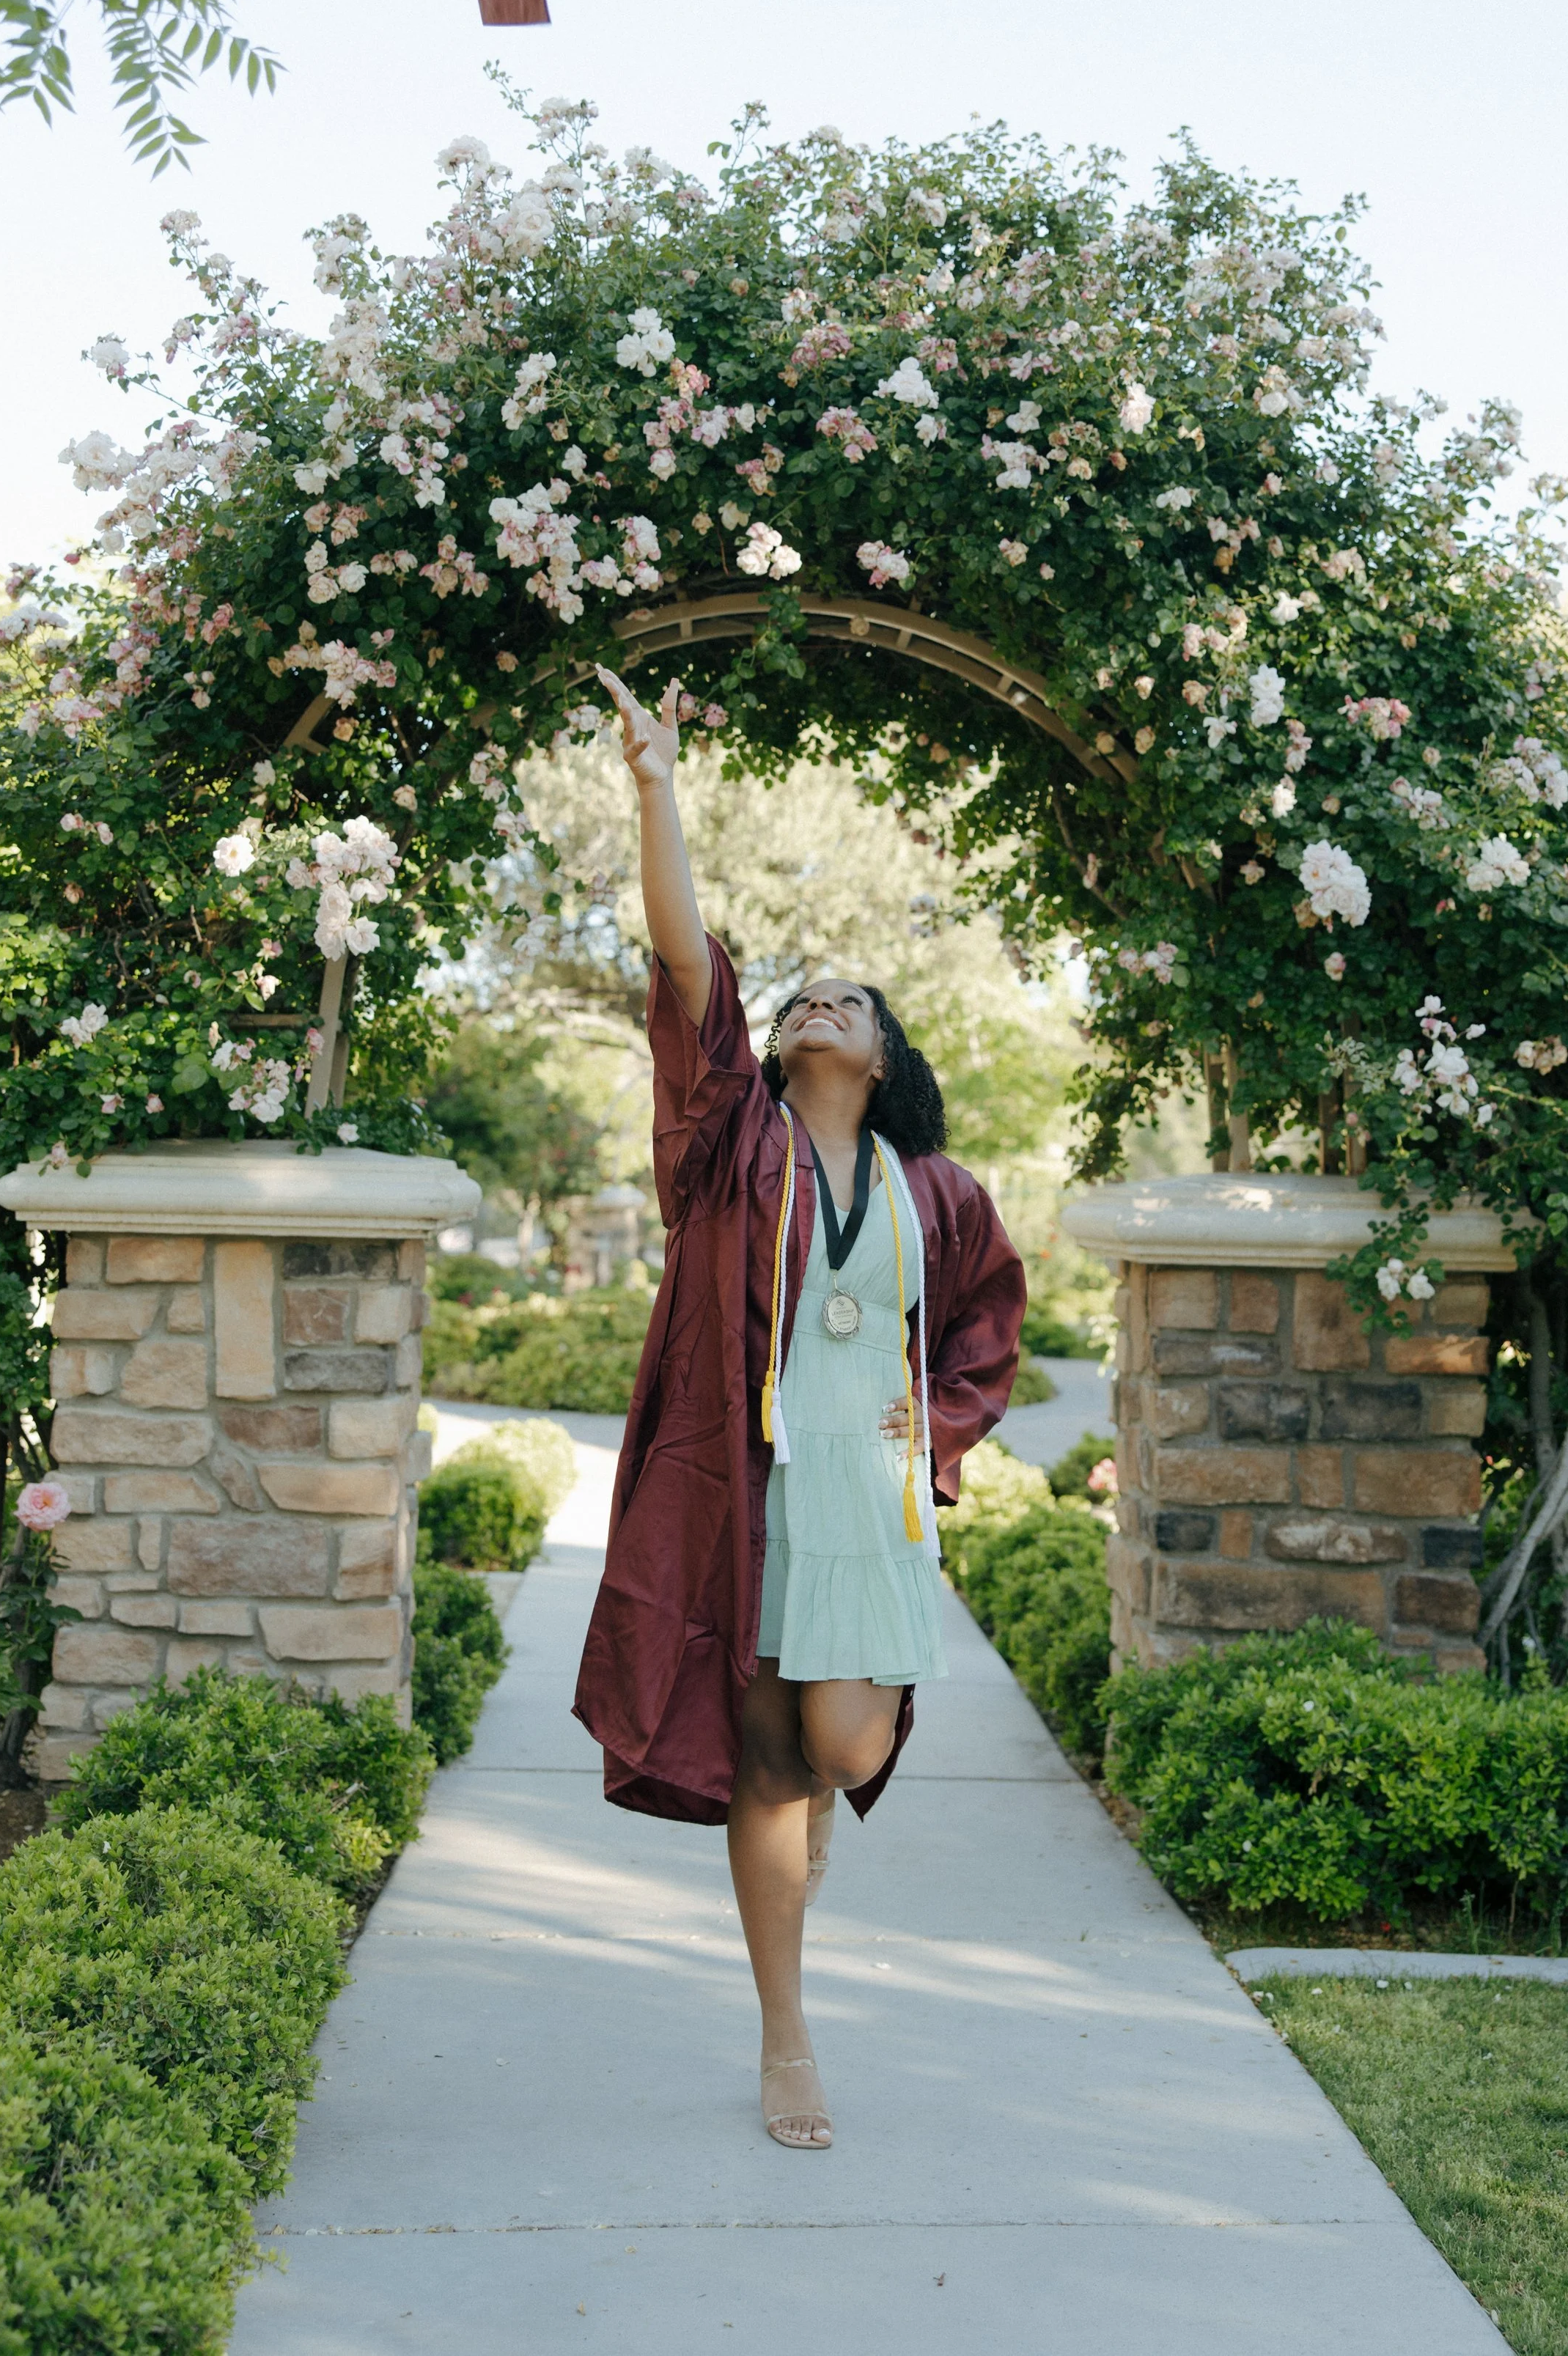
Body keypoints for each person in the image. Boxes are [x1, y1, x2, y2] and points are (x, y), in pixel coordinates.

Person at [573, 669, 1026, 2150]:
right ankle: (785, 2038)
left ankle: (813, 1819)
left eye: (855, 1000)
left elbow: (979, 1328)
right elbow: (685, 962)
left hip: (869, 1499)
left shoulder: (935, 1195)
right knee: (769, 1759)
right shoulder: (729, 1152)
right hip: (752, 1489)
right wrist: (656, 791)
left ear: (884, 1059)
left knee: (842, 1750)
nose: (823, 997)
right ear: (773, 1052)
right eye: (801, 998)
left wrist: (940, 1433)